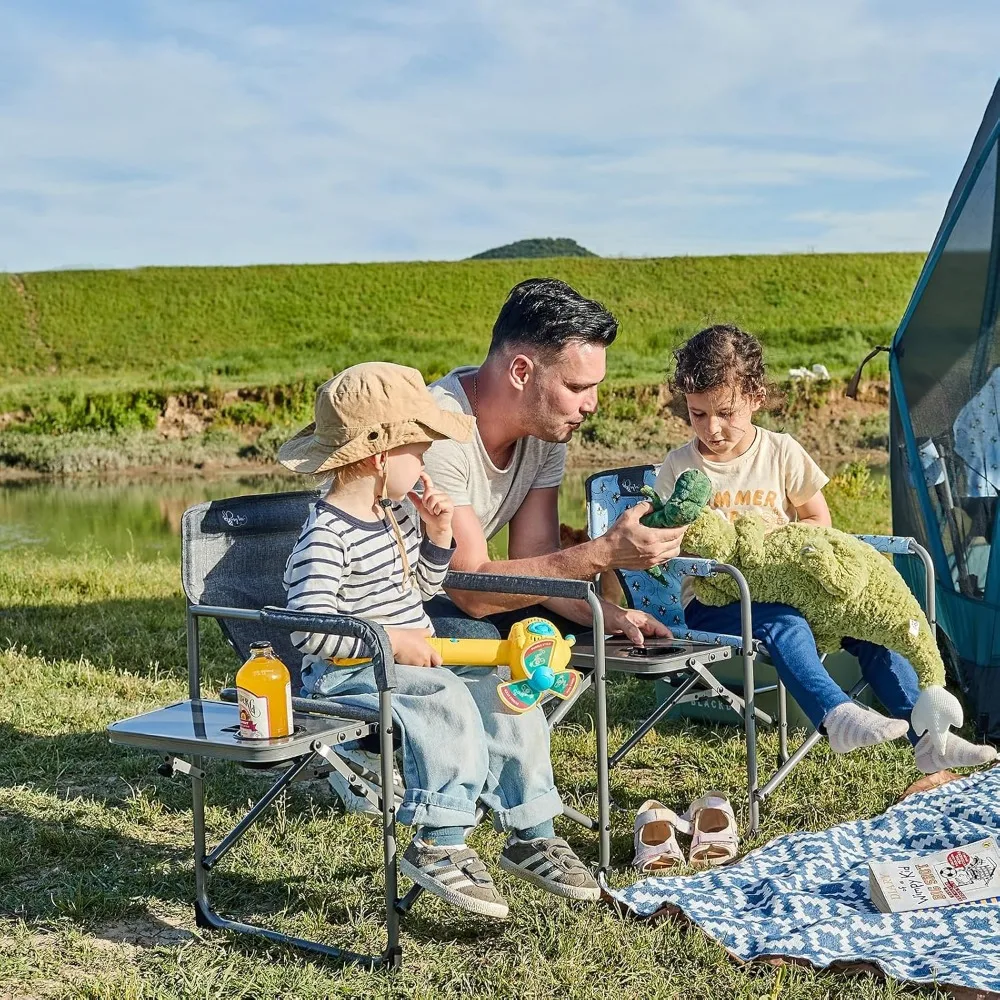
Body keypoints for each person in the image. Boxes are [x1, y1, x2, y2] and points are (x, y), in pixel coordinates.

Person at [279, 362, 600, 922]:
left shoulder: (393, 516)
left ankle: (532, 828)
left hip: (414, 666)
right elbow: (307, 628)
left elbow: (420, 590)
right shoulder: (325, 534)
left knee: (506, 692)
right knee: (445, 701)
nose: (426, 465)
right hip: (349, 676)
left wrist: (436, 538)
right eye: (420, 453)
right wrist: (387, 642)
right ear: (380, 456)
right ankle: (440, 839)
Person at [656, 324, 995, 774]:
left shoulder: (781, 452)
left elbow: (819, 521)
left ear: (756, 396)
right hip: (715, 601)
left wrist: (781, 545)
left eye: (725, 412)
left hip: (794, 587)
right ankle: (836, 715)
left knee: (871, 628)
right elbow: (668, 543)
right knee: (784, 622)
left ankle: (932, 740)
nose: (711, 428)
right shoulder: (680, 467)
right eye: (697, 414)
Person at [422, 277, 681, 645]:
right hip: (386, 606)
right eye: (576, 387)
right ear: (521, 372)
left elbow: (536, 555)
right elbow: (472, 590)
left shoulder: (547, 429)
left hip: (455, 596)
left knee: (587, 632)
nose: (591, 405)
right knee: (477, 635)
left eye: (595, 386)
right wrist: (603, 553)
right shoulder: (439, 432)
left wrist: (607, 615)